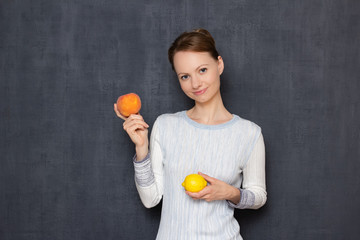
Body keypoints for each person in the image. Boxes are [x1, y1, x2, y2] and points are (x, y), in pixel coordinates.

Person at [114, 28, 267, 240]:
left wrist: (229, 192)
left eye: (202, 70)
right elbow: (151, 200)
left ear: (219, 64)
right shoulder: (165, 125)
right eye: (185, 76)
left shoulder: (249, 133)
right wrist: (141, 148)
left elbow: (259, 196)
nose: (195, 84)